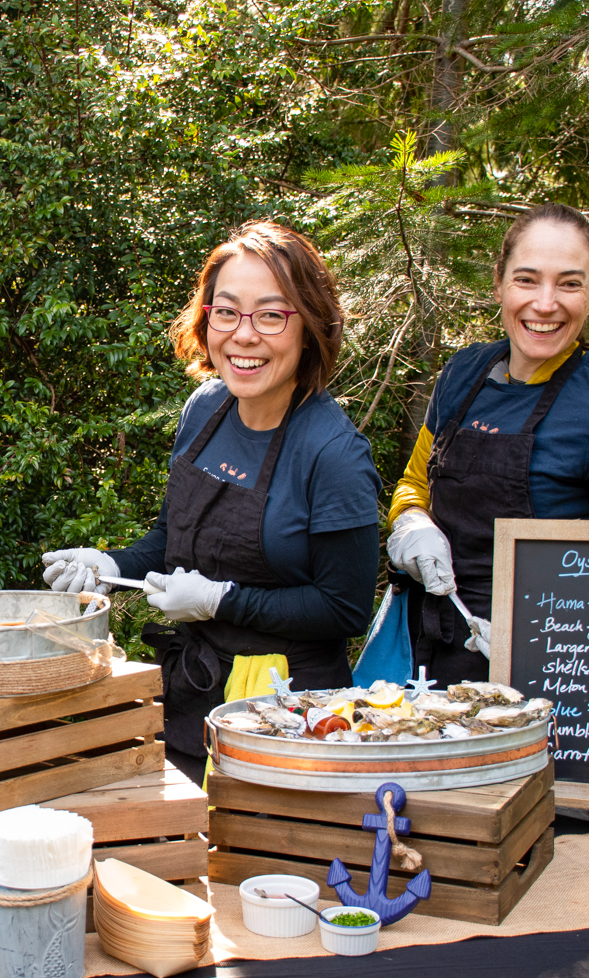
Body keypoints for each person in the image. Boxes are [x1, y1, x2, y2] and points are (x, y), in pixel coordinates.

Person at [41, 220, 382, 776]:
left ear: (310, 325)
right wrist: (110, 564)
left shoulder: (333, 453)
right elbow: (171, 540)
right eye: (226, 312)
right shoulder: (206, 410)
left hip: (291, 719)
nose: (243, 335)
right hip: (192, 697)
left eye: (271, 314)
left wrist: (222, 601)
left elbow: (345, 607)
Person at [386, 203, 589, 687]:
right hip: (432, 661)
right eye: (526, 279)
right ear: (498, 283)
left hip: (556, 680)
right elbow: (415, 484)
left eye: (570, 283)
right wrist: (411, 522)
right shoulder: (462, 376)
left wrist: (546, 642)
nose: (544, 303)